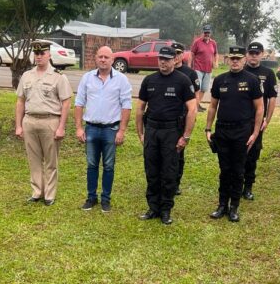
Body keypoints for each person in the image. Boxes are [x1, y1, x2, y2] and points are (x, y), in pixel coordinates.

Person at [135, 46, 196, 225]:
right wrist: (140, 132)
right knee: (152, 171)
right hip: (152, 130)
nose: (163, 62)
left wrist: (186, 136)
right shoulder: (149, 80)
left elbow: (192, 110)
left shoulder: (183, 81)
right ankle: (153, 208)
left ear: (174, 60)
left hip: (172, 131)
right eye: (161, 59)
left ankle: (166, 210)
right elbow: (140, 108)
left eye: (167, 59)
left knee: (169, 172)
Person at [205, 46, 264, 222]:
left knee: (238, 171)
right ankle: (222, 205)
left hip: (242, 131)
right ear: (228, 60)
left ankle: (234, 207)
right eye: (232, 58)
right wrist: (208, 128)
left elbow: (260, 108)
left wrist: (255, 132)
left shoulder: (252, 80)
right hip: (223, 130)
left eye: (238, 58)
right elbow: (213, 106)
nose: (235, 61)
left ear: (244, 59)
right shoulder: (220, 80)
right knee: (224, 170)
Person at [74, 46, 132, 212]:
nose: (103, 60)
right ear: (96, 58)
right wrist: (79, 128)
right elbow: (79, 103)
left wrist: (121, 131)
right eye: (100, 57)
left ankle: (105, 199)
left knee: (108, 166)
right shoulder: (87, 78)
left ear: (113, 60)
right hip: (91, 129)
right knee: (91, 165)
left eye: (107, 57)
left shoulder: (121, 80)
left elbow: (126, 106)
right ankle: (91, 197)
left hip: (110, 130)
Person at [15, 41, 72, 206]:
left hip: (50, 120)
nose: (39, 56)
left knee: (50, 160)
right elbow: (20, 101)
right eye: (36, 54)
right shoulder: (27, 76)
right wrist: (18, 125)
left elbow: (66, 103)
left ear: (49, 55)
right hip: (30, 120)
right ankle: (37, 191)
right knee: (33, 159)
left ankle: (49, 194)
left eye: (42, 53)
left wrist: (61, 127)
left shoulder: (58, 77)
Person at [242, 40, 278, 199]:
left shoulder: (268, 73)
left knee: (253, 154)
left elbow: (272, 99)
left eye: (257, 54)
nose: (253, 56)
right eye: (251, 53)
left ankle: (248, 187)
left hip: (257, 121)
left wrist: (267, 120)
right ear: (246, 55)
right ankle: (235, 183)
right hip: (241, 119)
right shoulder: (240, 70)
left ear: (262, 55)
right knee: (238, 152)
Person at [171, 41, 200, 194]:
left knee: (179, 151)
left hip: (183, 117)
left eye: (178, 53)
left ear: (183, 55)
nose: (175, 57)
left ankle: (176, 183)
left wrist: (192, 115)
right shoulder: (165, 71)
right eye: (173, 53)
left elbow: (196, 96)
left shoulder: (190, 73)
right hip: (168, 117)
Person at [190, 24, 218, 112]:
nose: (207, 34)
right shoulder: (197, 42)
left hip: (208, 69)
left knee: (204, 89)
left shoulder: (213, 43)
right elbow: (192, 54)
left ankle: (197, 105)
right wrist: (189, 65)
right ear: (203, 32)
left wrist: (216, 62)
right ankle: (194, 106)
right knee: (197, 88)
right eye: (205, 32)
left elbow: (216, 54)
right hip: (198, 68)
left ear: (211, 33)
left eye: (208, 32)